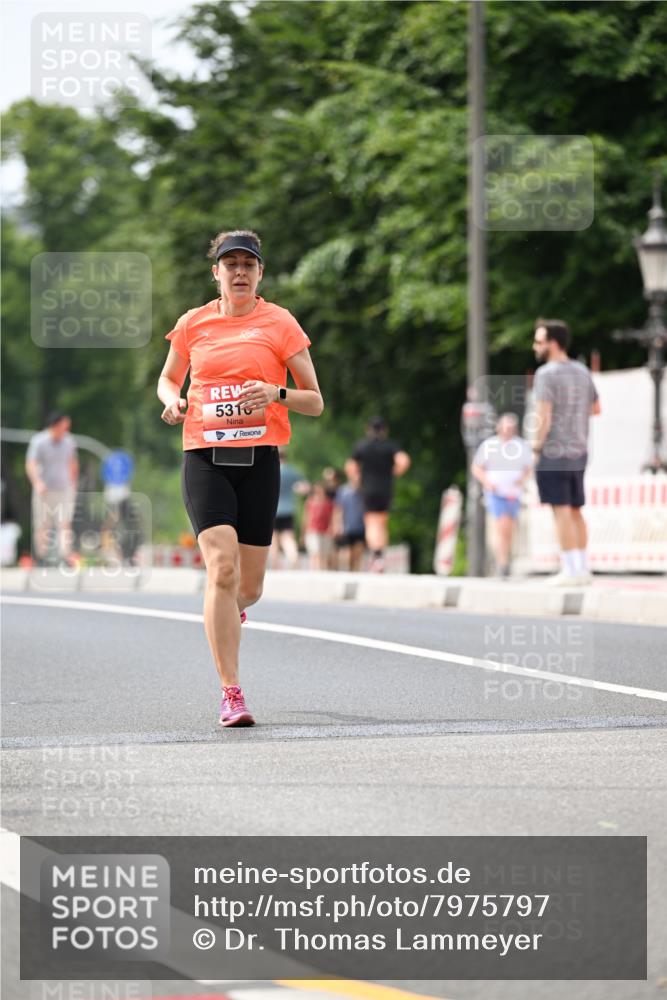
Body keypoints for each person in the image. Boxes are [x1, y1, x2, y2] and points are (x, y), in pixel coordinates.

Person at [158, 229, 323, 726]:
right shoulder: (193, 324)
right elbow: (168, 377)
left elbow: (314, 400)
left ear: (260, 273)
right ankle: (232, 693)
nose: (239, 272)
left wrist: (275, 393)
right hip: (205, 456)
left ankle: (232, 610)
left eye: (248, 265)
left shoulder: (280, 323)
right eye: (230, 264)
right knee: (222, 571)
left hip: (259, 460)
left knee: (248, 587)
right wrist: (172, 400)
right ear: (217, 274)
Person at [531, 318, 600, 585]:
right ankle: (582, 567)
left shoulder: (546, 374)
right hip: (580, 449)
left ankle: (570, 569)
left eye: (538, 341)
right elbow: (596, 408)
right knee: (575, 509)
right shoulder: (582, 371)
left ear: (553, 343)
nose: (535, 346)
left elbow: (543, 415)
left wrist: (537, 447)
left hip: (554, 451)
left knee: (560, 510)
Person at [471, 413, 533, 577]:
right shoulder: (489, 445)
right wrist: (487, 482)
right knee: (501, 526)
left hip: (513, 493)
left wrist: (521, 480)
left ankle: (504, 558)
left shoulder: (521, 446)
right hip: (495, 492)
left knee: (508, 528)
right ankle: (502, 562)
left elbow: (528, 467)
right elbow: (477, 467)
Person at [348, 417, 410, 572]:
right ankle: (380, 557)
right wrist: (394, 472)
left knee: (371, 522)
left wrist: (356, 480)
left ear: (368, 429)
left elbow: (350, 465)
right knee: (381, 522)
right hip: (385, 489)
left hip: (368, 489)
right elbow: (404, 461)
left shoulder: (362, 446)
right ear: (385, 430)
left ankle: (376, 556)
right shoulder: (390, 446)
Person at [25, 411, 79, 566]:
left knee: (65, 523)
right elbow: (31, 464)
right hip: (45, 490)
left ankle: (65, 556)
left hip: (64, 489)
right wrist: (37, 482)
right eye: (64, 426)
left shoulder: (69, 441)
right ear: (55, 426)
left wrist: (73, 483)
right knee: (42, 524)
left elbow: (72, 463)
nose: (66, 430)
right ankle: (41, 557)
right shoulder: (39, 441)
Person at [271, 448, 309, 569]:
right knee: (287, 537)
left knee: (274, 538)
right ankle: (293, 557)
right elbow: (305, 487)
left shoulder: (271, 470)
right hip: (289, 509)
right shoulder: (292, 471)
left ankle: (276, 564)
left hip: (274, 509)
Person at [333, 463, 366, 571]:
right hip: (347, 527)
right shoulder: (343, 491)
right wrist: (337, 524)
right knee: (347, 555)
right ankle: (347, 572)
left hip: (361, 526)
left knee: (358, 555)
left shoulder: (365, 491)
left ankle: (356, 574)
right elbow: (338, 509)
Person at [302, 481, 334, 571]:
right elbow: (306, 517)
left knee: (323, 553)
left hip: (325, 530)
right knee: (314, 552)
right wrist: (304, 532)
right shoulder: (310, 502)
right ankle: (314, 570)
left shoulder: (329, 503)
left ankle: (322, 570)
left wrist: (332, 528)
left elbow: (332, 517)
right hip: (313, 530)